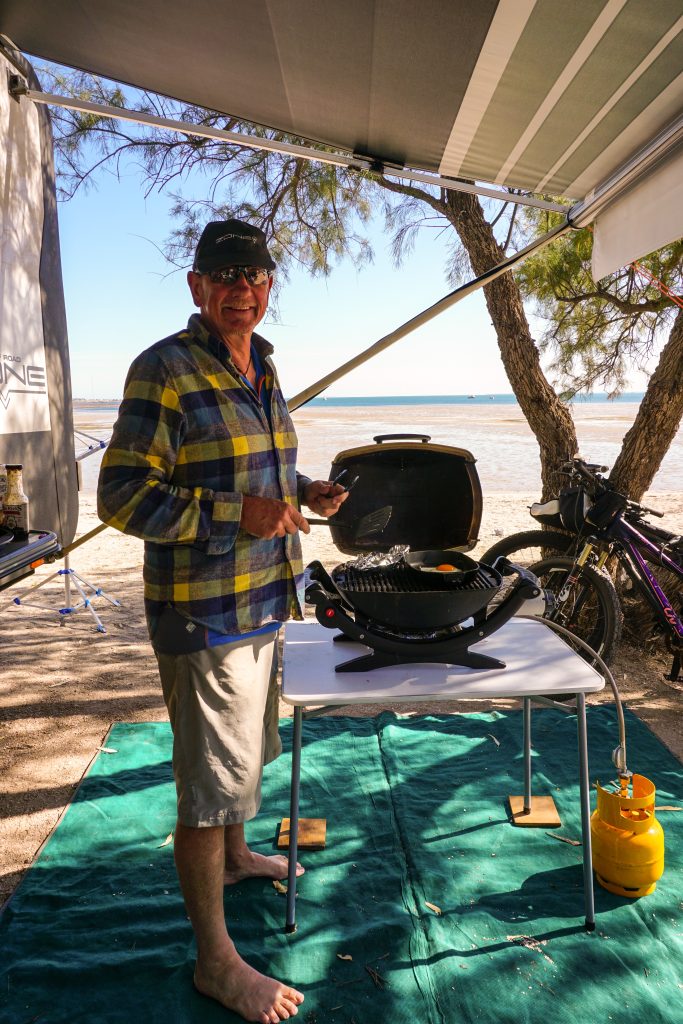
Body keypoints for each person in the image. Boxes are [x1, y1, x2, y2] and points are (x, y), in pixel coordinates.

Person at [97, 219, 347, 1023]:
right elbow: (121, 497)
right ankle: (215, 962)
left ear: (269, 286)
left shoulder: (262, 365)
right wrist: (242, 513)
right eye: (226, 275)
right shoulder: (164, 368)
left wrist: (301, 491)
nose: (243, 289)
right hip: (203, 612)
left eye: (256, 275)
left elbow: (248, 465)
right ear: (197, 286)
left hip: (265, 600)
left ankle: (237, 858)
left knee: (243, 758)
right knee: (207, 790)